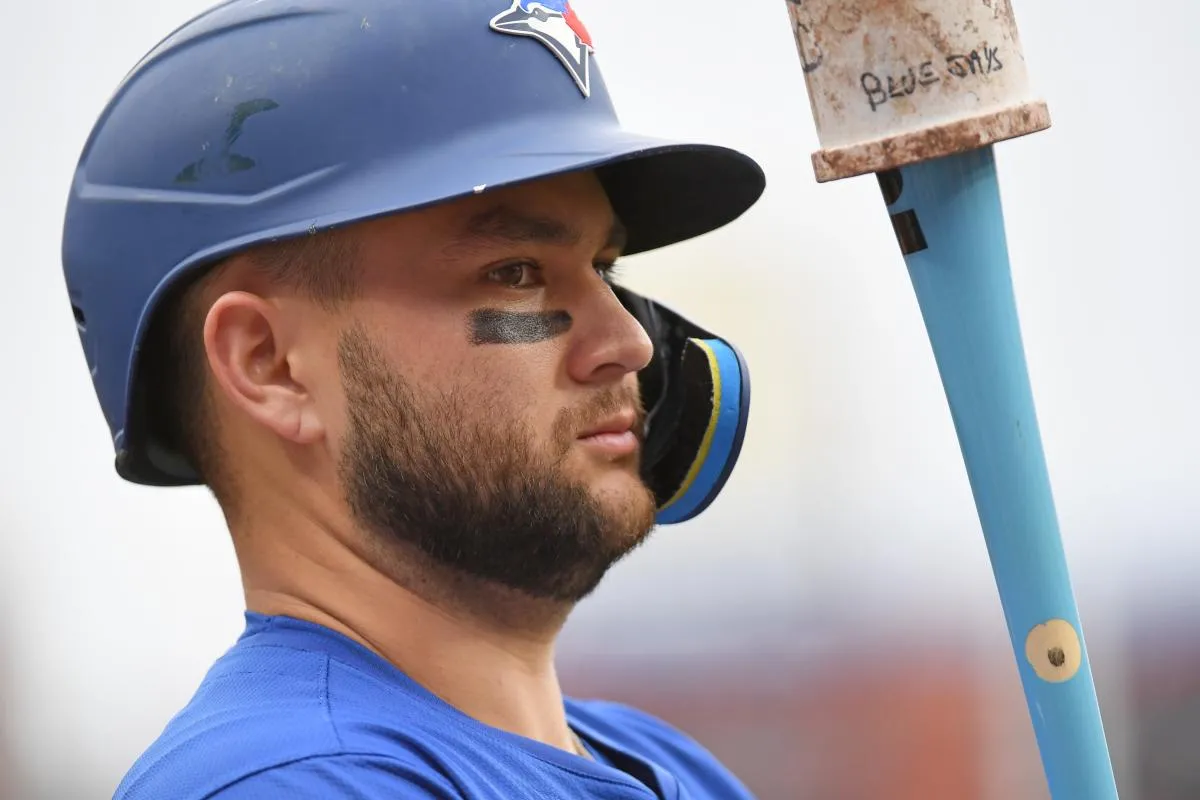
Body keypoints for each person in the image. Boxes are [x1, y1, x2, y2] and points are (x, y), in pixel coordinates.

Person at [62, 1, 766, 797]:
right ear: (270, 366)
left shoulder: (666, 763)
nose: (631, 344)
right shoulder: (290, 784)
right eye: (515, 272)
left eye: (603, 268)